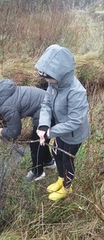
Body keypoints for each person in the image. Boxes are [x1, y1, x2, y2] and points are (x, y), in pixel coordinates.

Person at [0, 79, 56, 181]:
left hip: (49, 112)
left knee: (36, 144)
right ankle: (48, 162)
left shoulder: (7, 106)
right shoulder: (2, 94)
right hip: (48, 104)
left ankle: (38, 172)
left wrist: (1, 132)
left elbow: (14, 131)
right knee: (42, 141)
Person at [35, 44, 90, 201]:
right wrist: (44, 126)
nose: (47, 81)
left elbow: (75, 121)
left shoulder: (76, 92)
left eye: (48, 77)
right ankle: (60, 179)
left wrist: (50, 133)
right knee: (56, 153)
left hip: (74, 134)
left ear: (61, 73)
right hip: (59, 130)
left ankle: (67, 188)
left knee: (67, 159)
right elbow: (46, 104)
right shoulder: (53, 84)